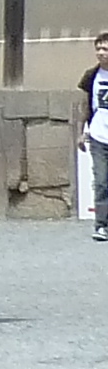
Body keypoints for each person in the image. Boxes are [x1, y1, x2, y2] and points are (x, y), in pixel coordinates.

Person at [77, 32, 108, 240]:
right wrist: (81, 131)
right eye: (98, 48)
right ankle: (101, 225)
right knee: (101, 181)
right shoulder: (91, 76)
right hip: (99, 135)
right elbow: (85, 106)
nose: (101, 53)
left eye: (105, 48)